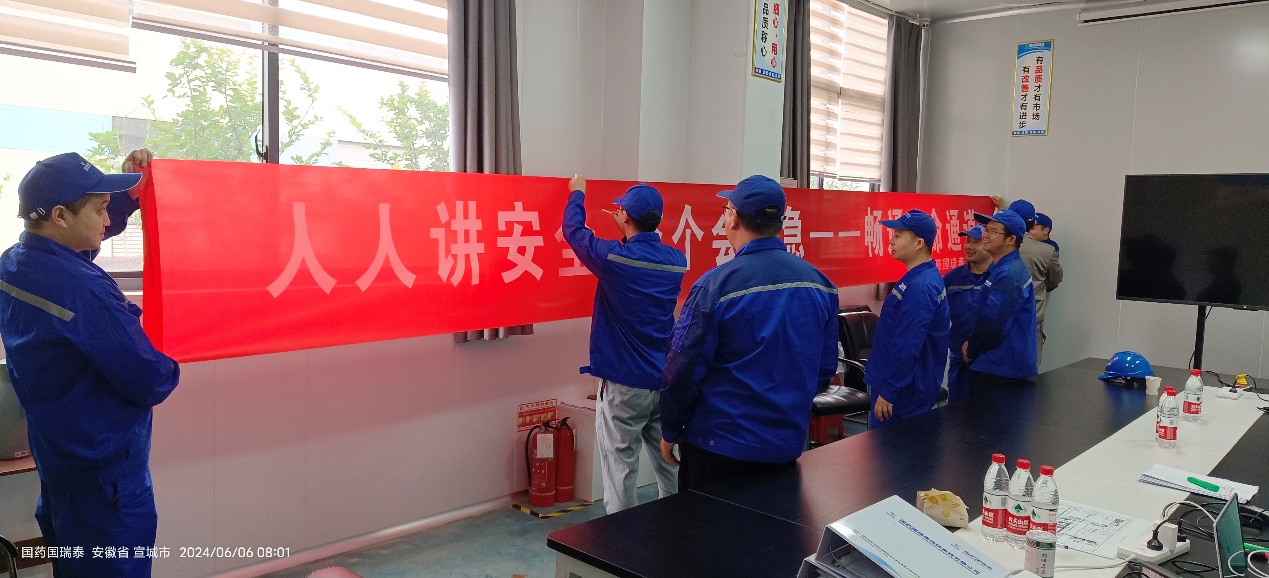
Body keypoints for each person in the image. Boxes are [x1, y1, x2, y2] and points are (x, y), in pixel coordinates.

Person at [0, 150, 180, 578]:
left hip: (62, 460)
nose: (106, 220)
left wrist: (127, 195)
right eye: (100, 208)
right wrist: (178, 358)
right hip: (107, 479)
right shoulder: (85, 292)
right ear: (60, 215)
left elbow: (76, 248)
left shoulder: (16, 263)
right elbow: (149, 380)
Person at [659, 175, 839, 492]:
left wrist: (670, 429)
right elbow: (824, 369)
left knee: (706, 525)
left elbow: (682, 370)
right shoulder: (820, 284)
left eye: (726, 209)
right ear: (780, 222)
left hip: (718, 446)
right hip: (784, 446)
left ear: (733, 218)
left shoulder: (715, 286)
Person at [562, 174, 685, 513]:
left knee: (621, 471)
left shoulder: (615, 259)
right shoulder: (677, 261)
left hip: (624, 386)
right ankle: (679, 530)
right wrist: (628, 227)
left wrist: (577, 194)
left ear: (625, 216)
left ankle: (623, 540)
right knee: (670, 465)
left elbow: (575, 232)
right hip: (664, 381)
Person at [864, 210, 949, 428]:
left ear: (919, 243)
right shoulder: (918, 278)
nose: (891, 240)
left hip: (904, 393)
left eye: (898, 235)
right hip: (901, 385)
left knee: (893, 449)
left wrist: (891, 390)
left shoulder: (921, 286)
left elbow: (908, 343)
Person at [962, 209, 1038, 385]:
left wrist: (972, 348)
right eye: (986, 229)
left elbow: (993, 325)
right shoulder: (1002, 268)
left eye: (993, 231)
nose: (985, 235)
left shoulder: (1008, 274)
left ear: (1011, 239)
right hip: (999, 366)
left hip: (1001, 369)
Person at [994, 198, 1062, 365]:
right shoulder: (1047, 251)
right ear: (1032, 224)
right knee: (1028, 371)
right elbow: (1055, 280)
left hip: (998, 319)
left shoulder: (996, 247)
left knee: (997, 371)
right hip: (1032, 320)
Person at [943, 225, 991, 402]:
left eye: (976, 242)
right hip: (959, 359)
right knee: (957, 411)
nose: (969, 247)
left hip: (989, 360)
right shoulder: (952, 278)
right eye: (967, 241)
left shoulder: (999, 277)